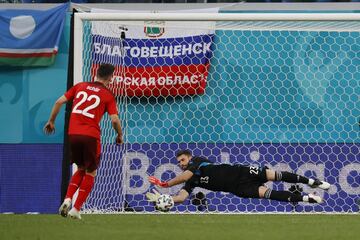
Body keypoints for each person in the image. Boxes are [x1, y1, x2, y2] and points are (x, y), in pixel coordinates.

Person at [44, 63, 123, 219]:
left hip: (73, 134)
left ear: (96, 73)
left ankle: (67, 199)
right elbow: (114, 120)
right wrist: (119, 135)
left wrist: (51, 121)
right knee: (91, 172)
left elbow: (58, 102)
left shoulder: (80, 86)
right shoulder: (107, 95)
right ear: (110, 78)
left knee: (80, 167)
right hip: (91, 136)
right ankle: (76, 209)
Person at [147, 149, 330, 207]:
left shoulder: (198, 162)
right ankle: (307, 198)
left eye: (182, 160)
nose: (181, 163)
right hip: (238, 188)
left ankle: (312, 182)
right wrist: (168, 200)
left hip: (240, 172)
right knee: (271, 194)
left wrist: (165, 184)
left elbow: (187, 174)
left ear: (189, 157)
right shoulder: (191, 180)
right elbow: (182, 197)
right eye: (178, 162)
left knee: (275, 175)